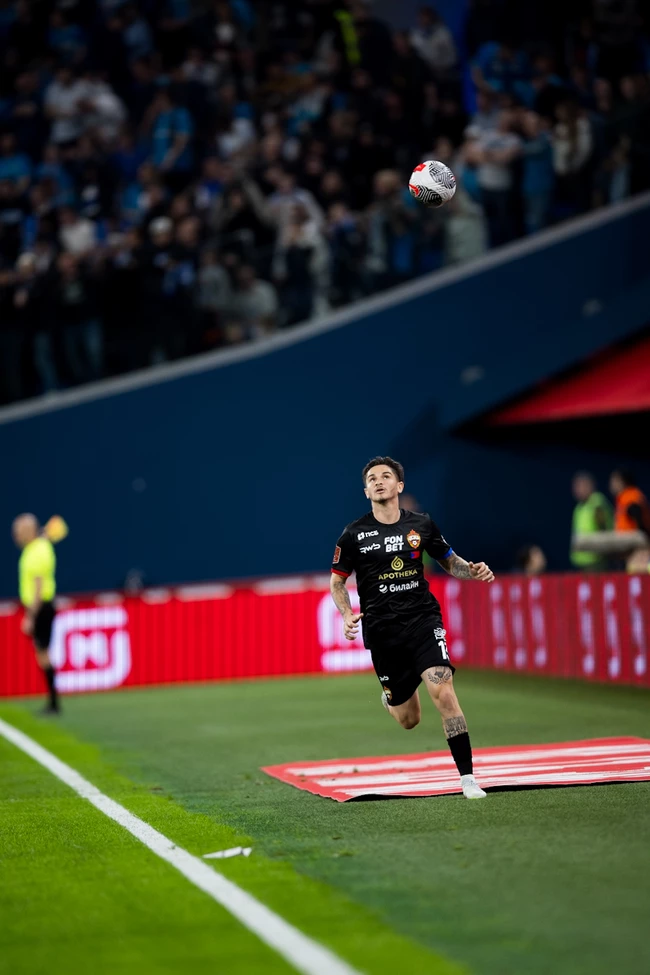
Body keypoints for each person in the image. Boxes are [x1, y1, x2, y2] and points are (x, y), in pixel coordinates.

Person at [329, 456, 494, 800]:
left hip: (423, 620)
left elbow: (450, 561)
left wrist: (472, 571)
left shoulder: (422, 524)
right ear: (366, 491)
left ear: (399, 485)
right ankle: (392, 699)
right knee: (409, 719)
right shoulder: (353, 534)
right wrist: (346, 614)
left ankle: (468, 779)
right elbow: (337, 582)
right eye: (372, 479)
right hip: (383, 632)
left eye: (386, 476)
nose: (379, 481)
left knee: (443, 691)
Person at [11, 514, 66, 715]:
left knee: (43, 654)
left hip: (41, 607)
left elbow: (38, 587)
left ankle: (54, 703)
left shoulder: (36, 552)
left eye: (19, 531)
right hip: (41, 607)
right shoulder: (39, 547)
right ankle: (53, 702)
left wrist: (30, 616)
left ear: (29, 531)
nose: (16, 536)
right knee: (42, 653)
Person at [570, 471, 613, 570]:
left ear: (590, 486)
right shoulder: (579, 507)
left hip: (596, 561)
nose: (577, 490)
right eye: (575, 487)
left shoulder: (597, 503)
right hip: (581, 560)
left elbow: (604, 529)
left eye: (580, 486)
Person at [610, 469, 650, 535]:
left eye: (614, 481)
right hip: (626, 538)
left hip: (633, 538)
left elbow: (636, 511)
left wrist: (642, 535)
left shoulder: (630, 495)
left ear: (623, 481)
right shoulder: (622, 497)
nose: (611, 484)